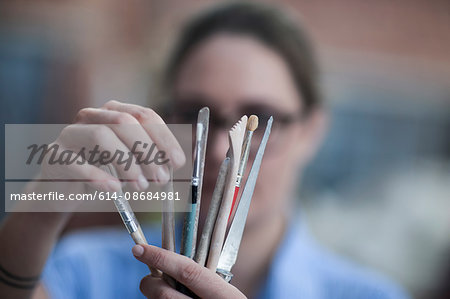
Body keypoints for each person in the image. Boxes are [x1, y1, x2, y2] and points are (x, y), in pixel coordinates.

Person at [0, 2, 409, 299]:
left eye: (258, 116)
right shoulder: (86, 270)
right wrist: (39, 205)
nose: (218, 151)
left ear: (311, 132)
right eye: (195, 115)